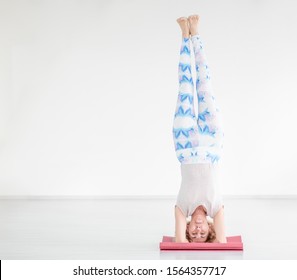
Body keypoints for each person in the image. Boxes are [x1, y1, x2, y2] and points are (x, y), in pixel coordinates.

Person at [173, 15, 227, 243]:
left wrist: (185, 241)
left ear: (186, 229)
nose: (197, 230)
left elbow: (179, 243)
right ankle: (196, 34)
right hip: (212, 141)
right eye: (203, 233)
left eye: (193, 234)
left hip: (184, 146)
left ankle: (184, 37)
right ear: (209, 226)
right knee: (204, 83)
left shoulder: (182, 207)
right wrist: (212, 241)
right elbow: (222, 242)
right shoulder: (216, 206)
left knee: (186, 84)